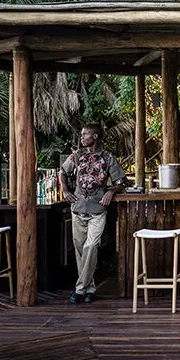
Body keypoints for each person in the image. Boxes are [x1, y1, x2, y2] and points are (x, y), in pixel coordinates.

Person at [60, 124, 127, 304]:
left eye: (85, 134)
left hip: (98, 211)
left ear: (95, 136)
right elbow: (62, 171)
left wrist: (111, 191)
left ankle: (79, 289)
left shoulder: (108, 158)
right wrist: (65, 190)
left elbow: (121, 181)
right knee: (80, 250)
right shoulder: (76, 156)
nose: (81, 137)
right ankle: (90, 289)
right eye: (81, 134)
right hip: (77, 208)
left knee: (91, 247)